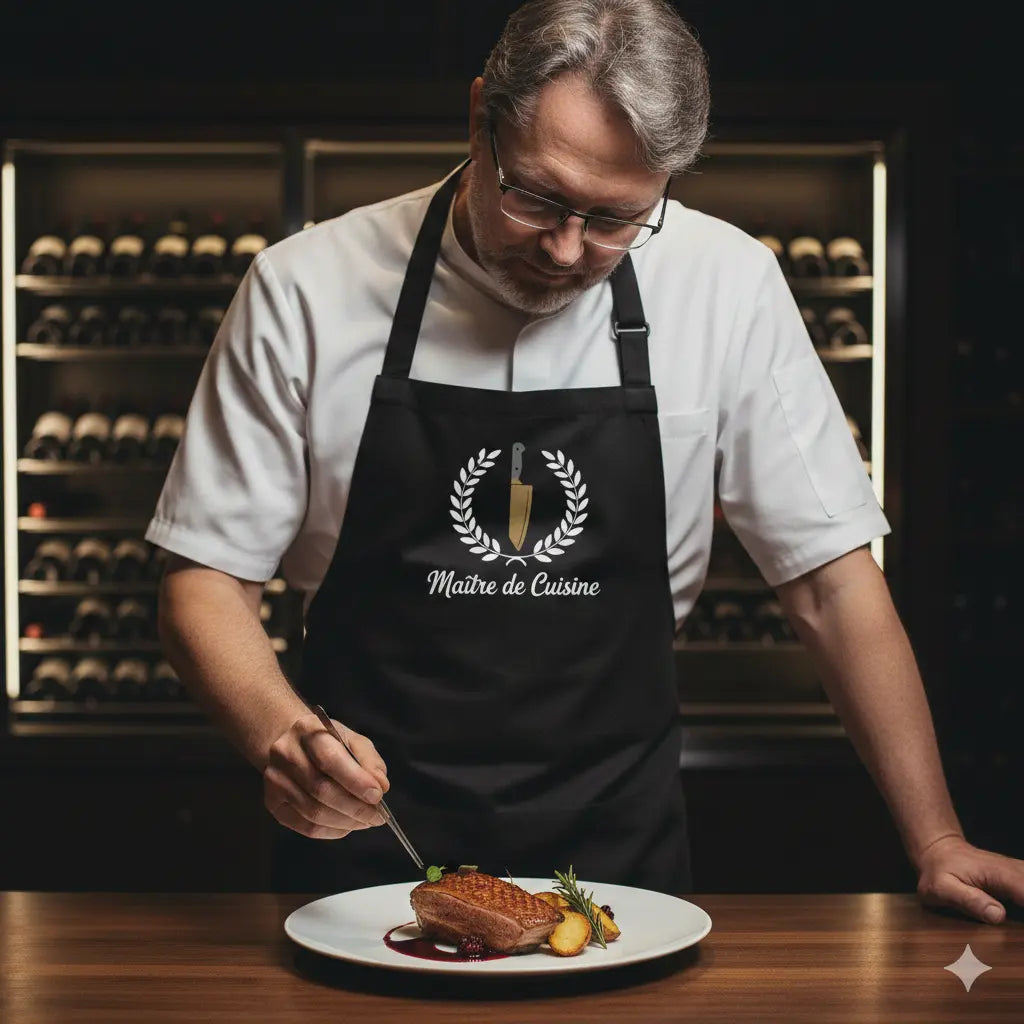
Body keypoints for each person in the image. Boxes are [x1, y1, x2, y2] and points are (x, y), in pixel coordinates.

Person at [150, 0, 1024, 921]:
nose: (566, 250)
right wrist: (282, 736)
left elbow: (832, 585)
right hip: (365, 852)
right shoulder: (306, 288)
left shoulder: (726, 285)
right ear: (481, 118)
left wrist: (937, 838)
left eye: (617, 218)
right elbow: (203, 578)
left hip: (618, 866)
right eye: (535, 196)